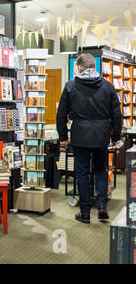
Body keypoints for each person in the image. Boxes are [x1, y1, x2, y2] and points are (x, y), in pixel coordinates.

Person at [56, 53, 122, 224]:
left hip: (80, 135)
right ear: (95, 67)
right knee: (100, 170)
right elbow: (116, 113)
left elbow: (61, 113)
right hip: (101, 135)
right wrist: (115, 135)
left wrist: (63, 136)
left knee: (82, 173)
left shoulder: (71, 86)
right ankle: (101, 206)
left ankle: (85, 212)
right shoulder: (107, 86)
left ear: (79, 67)